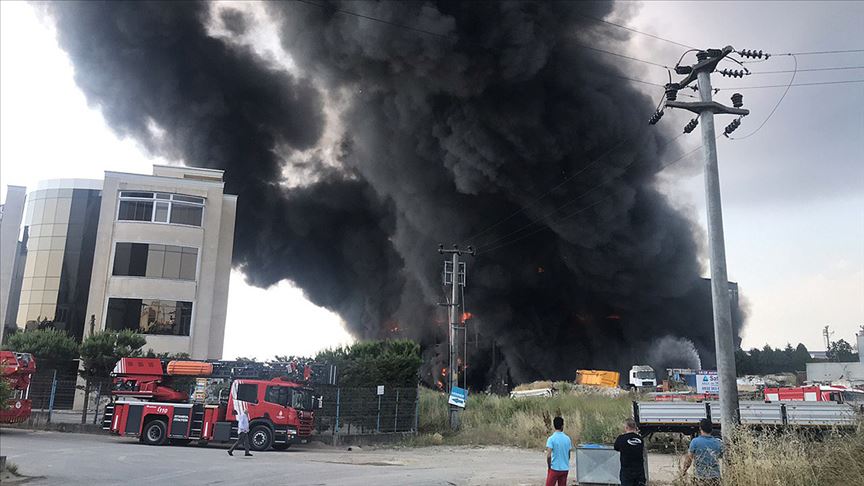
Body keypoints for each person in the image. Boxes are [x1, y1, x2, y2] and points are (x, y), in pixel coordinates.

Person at [681, 418, 723, 485]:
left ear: (700, 429)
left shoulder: (695, 442)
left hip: (700, 477)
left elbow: (689, 459)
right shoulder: (718, 442)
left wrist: (684, 471)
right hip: (715, 477)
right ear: (711, 429)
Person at [614, 418, 646, 486]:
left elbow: (616, 447)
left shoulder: (621, 438)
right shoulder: (640, 439)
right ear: (635, 427)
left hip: (627, 472)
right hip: (639, 471)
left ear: (626, 427)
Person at [544, 416, 572, 486]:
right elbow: (568, 455)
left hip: (555, 468)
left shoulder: (551, 439)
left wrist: (549, 466)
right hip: (565, 468)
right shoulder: (567, 439)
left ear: (554, 426)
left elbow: (549, 455)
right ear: (562, 426)